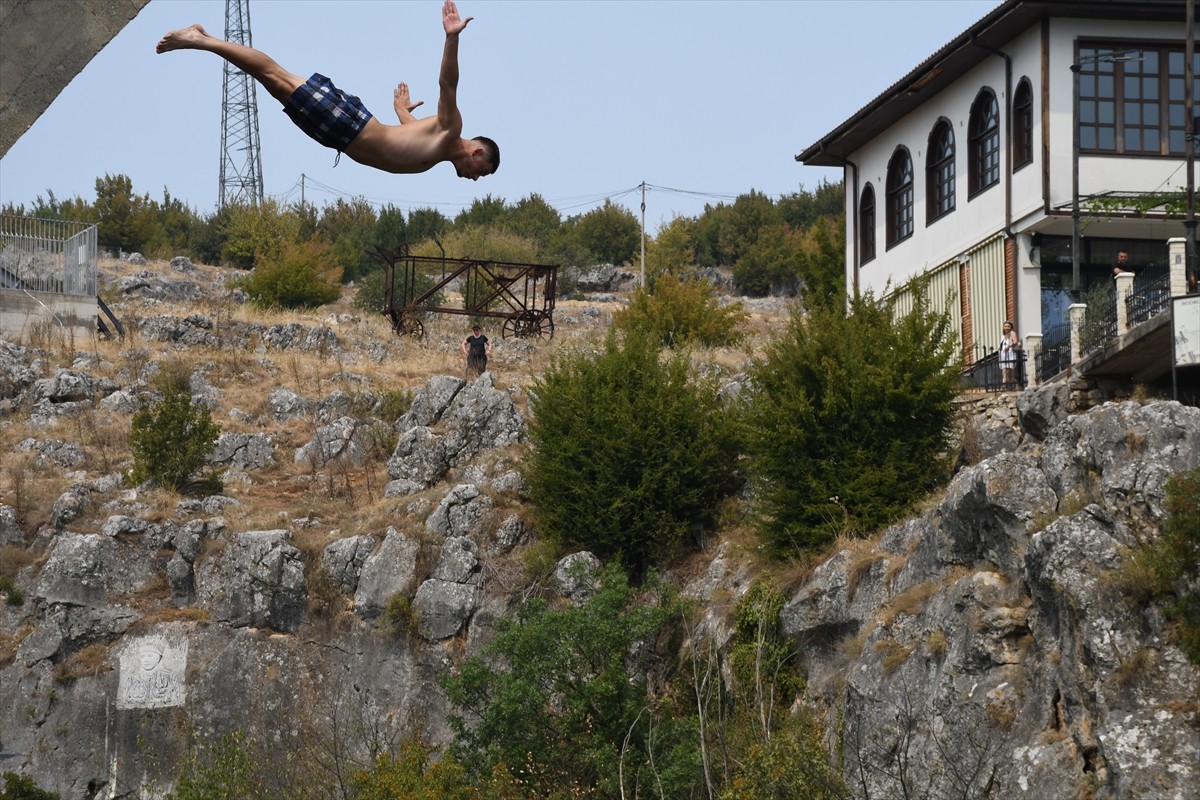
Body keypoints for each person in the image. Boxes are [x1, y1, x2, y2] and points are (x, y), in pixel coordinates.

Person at [156, 1, 499, 180]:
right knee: (277, 79)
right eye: (480, 173)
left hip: (343, 133)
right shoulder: (451, 127)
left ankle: (203, 39)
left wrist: (401, 110)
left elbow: (407, 135)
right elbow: (447, 84)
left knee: (277, 84)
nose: (473, 179)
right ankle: (200, 39)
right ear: (478, 154)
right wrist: (451, 38)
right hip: (349, 127)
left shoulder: (437, 148)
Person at [999, 320, 1020, 390]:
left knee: (1010, 372)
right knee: (1004, 372)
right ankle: (1004, 386)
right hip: (1003, 355)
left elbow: (1015, 341)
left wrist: (1008, 346)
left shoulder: (1012, 333)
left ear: (1011, 327)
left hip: (1010, 354)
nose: (1006, 327)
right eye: (1005, 326)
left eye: (1008, 326)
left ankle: (1015, 386)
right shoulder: (1003, 336)